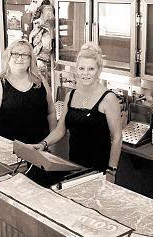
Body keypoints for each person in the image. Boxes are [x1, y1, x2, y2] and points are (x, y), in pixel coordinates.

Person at [33, 42, 122, 183]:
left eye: (91, 69)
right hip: (75, 166)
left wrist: (111, 171)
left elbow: (117, 138)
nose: (85, 73)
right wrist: (43, 144)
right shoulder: (71, 95)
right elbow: (60, 129)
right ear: (76, 70)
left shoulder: (108, 98)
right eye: (81, 68)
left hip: (99, 170)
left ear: (99, 71)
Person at [0, 39, 56, 145]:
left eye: (25, 54)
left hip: (39, 147)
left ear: (30, 59)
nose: (20, 58)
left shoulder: (40, 81)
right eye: (15, 54)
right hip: (9, 147)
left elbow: (51, 112)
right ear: (8, 57)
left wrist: (50, 141)